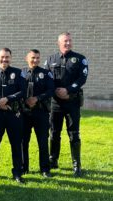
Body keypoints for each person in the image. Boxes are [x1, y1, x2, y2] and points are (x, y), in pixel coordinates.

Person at [45, 32, 88, 177]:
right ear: (59, 43)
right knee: (54, 132)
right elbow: (47, 78)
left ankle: (76, 165)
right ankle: (53, 160)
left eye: (70, 41)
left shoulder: (80, 59)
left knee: (74, 133)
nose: (68, 43)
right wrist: (56, 91)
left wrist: (68, 90)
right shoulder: (51, 59)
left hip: (72, 101)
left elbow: (82, 78)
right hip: (56, 103)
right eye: (65, 41)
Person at [0, 48, 26, 183]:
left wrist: (7, 99)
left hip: (13, 115)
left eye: (7, 57)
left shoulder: (18, 73)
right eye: (2, 57)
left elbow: (23, 91)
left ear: (11, 58)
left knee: (16, 144)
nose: (4, 60)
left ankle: (17, 173)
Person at [21, 49, 54, 177]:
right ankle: (24, 168)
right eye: (33, 57)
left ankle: (45, 169)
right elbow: (18, 90)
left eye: (37, 58)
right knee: (23, 141)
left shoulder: (46, 74)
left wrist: (37, 98)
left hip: (41, 112)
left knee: (42, 141)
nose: (35, 60)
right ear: (27, 58)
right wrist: (26, 100)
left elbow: (51, 90)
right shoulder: (21, 73)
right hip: (25, 113)